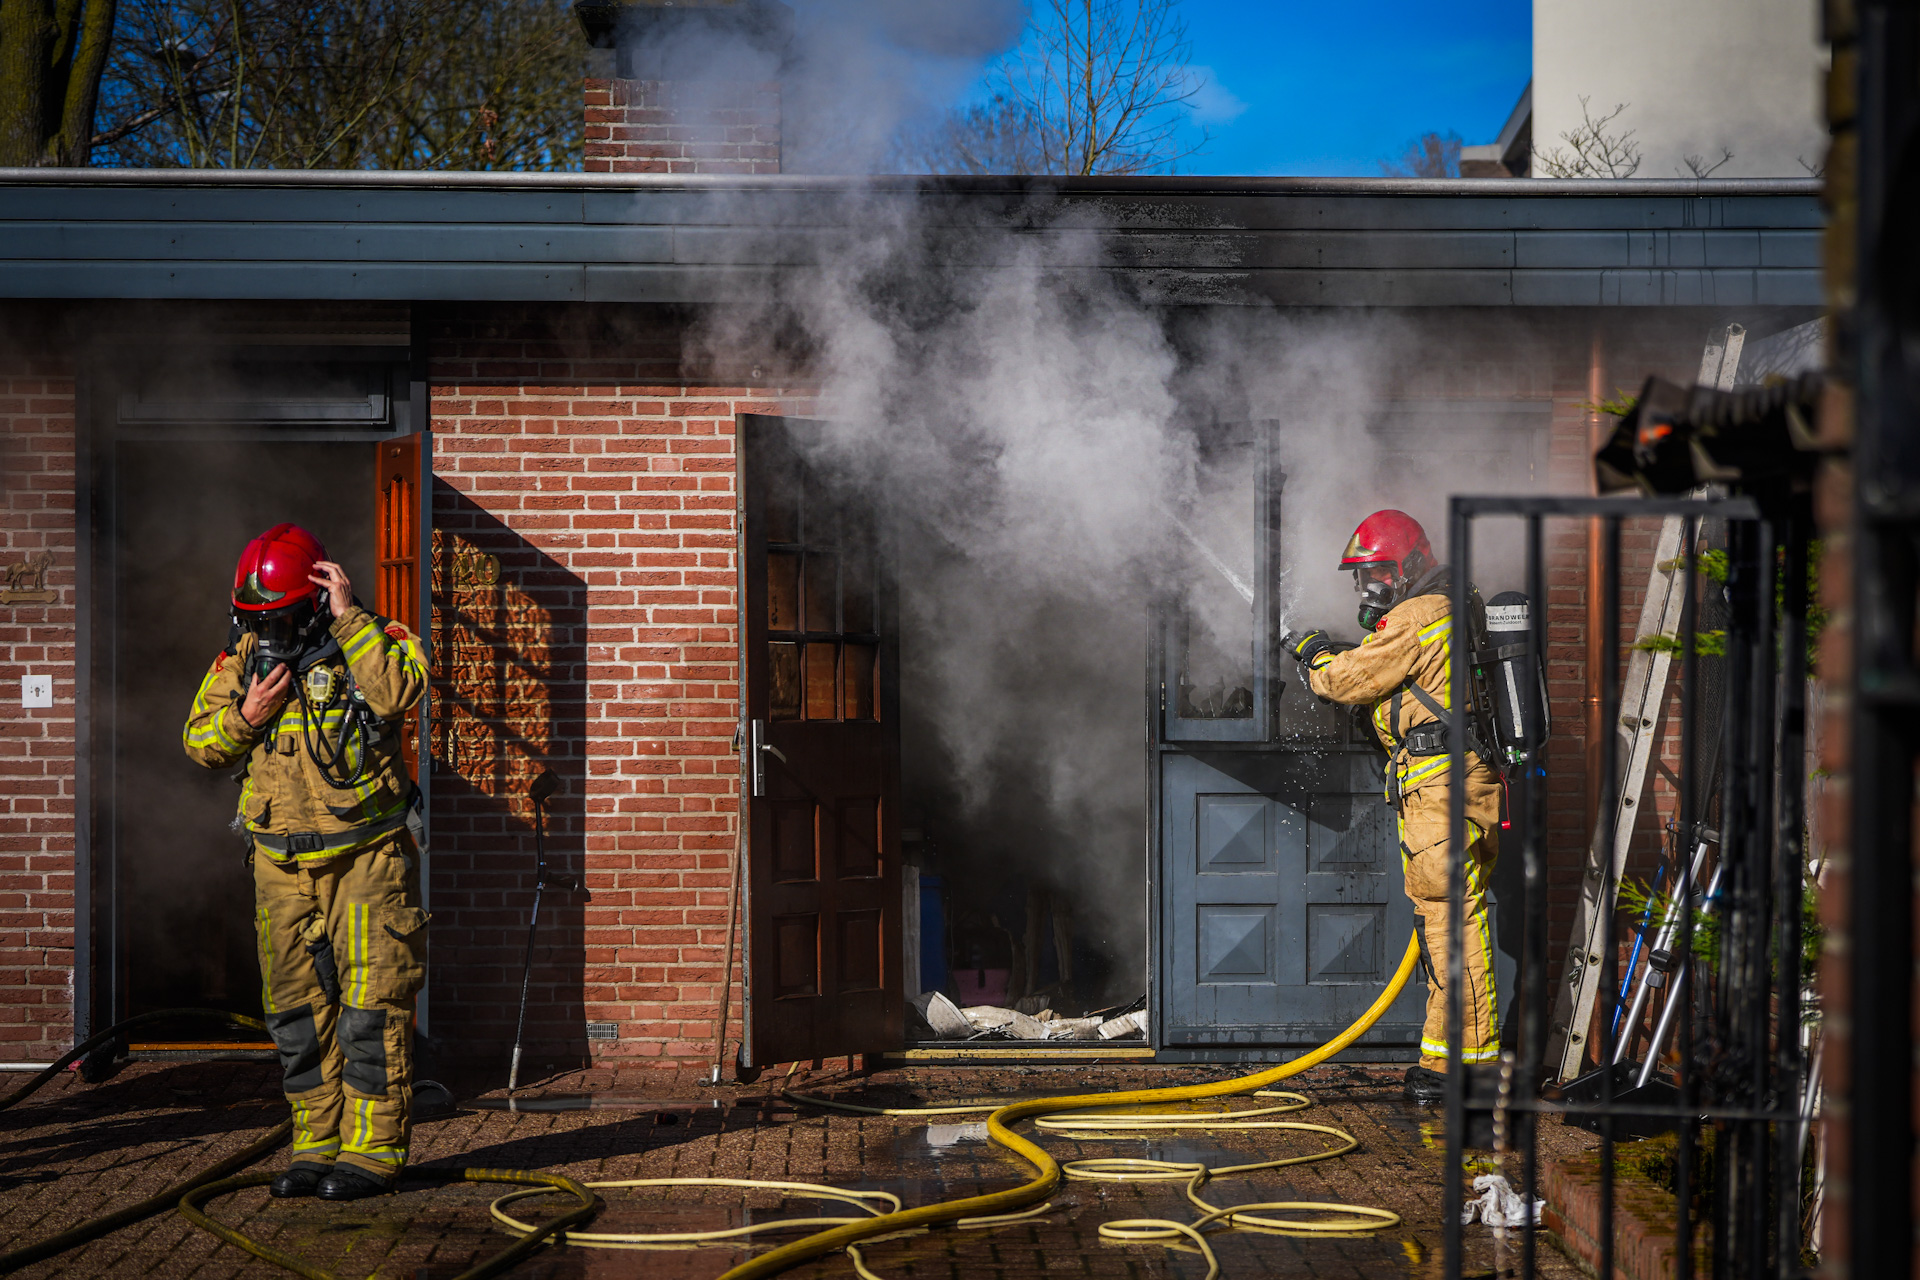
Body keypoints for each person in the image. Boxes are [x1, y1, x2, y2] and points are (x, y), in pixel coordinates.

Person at [182, 523, 429, 1200]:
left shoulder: (376, 639)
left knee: (369, 1011)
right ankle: (315, 1146)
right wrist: (247, 715)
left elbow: (400, 693)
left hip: (365, 861)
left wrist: (350, 620)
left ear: (318, 599)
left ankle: (373, 1152)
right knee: (295, 1014)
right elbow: (199, 743)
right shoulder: (240, 660)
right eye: (257, 620)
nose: (270, 633)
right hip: (279, 867)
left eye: (282, 617)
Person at [1279, 509, 1500, 1104]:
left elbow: (1348, 681)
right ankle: (1445, 1060)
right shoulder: (1453, 605)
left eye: (1374, 573)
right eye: (1361, 577)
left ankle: (1468, 1073)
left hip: (1441, 788)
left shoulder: (1420, 614)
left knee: (1451, 925)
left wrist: (1315, 656)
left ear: (1407, 566)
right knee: (1444, 923)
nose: (1366, 588)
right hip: (1456, 785)